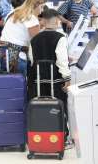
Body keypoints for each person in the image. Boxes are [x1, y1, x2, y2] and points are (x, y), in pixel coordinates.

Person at [28, 8, 71, 140]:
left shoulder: (34, 39)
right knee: (60, 106)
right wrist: (67, 78)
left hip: (38, 82)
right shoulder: (60, 38)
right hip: (55, 82)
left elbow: (32, 59)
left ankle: (40, 133)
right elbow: (62, 61)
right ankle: (60, 133)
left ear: (43, 22)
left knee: (40, 108)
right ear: (57, 21)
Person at [0, 0, 47, 75]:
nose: (41, 11)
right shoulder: (31, 18)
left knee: (5, 86)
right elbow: (37, 42)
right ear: (36, 5)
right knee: (18, 87)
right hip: (17, 58)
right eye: (42, 7)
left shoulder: (15, 12)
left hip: (1, 54)